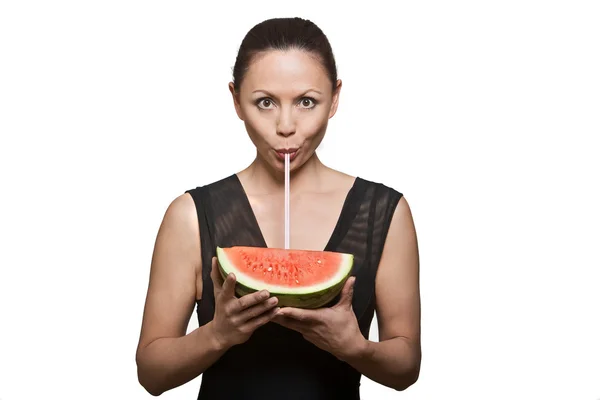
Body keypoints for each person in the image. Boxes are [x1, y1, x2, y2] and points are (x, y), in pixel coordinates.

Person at [135, 17, 421, 399]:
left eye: (306, 102)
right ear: (236, 100)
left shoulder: (384, 213)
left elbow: (406, 369)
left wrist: (355, 347)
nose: (286, 126)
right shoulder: (190, 216)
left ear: (335, 98)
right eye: (265, 102)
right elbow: (151, 375)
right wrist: (217, 335)